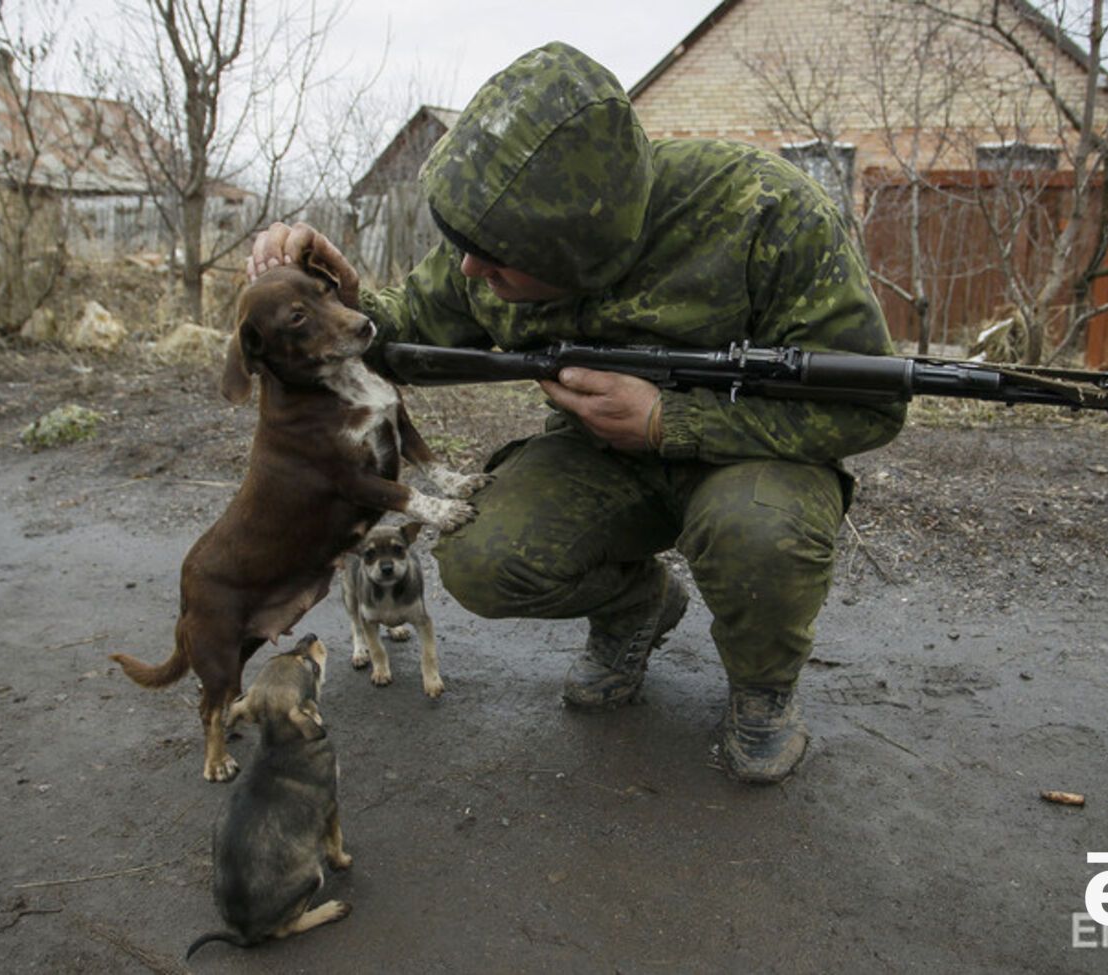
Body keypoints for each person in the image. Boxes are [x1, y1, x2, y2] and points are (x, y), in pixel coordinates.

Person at [249, 42, 905, 783]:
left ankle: (762, 686)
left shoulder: (765, 213)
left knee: (758, 532)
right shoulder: (502, 242)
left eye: (494, 257)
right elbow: (408, 334)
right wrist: (333, 296)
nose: (471, 269)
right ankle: (637, 606)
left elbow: (871, 406)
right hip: (602, 459)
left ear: (578, 250)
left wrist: (669, 423)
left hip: (755, 459)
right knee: (480, 554)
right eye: (468, 249)